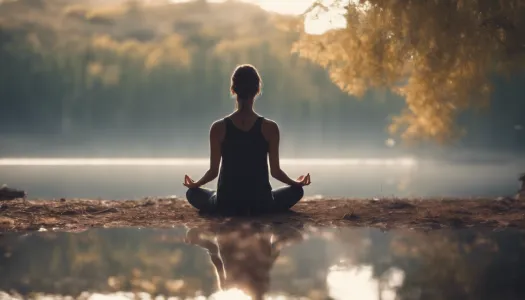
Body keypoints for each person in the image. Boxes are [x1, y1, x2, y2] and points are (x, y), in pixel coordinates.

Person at [183, 64, 311, 215]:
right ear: (257, 90)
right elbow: (275, 172)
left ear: (233, 89)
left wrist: (196, 184)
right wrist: (296, 183)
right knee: (297, 191)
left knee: (192, 194)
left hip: (226, 202)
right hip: (261, 203)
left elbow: (213, 172)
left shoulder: (218, 128)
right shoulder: (270, 128)